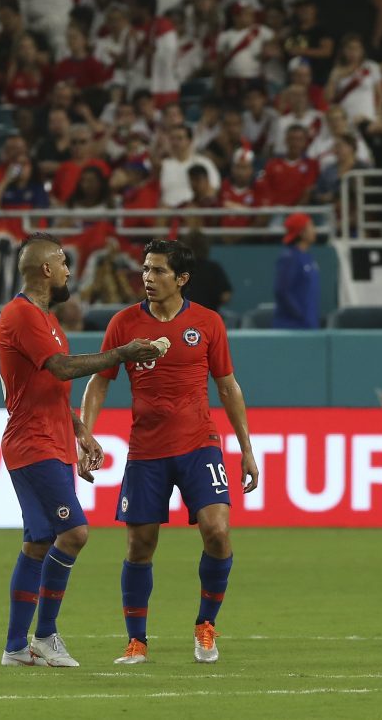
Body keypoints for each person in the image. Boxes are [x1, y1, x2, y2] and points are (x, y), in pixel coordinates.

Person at [80, 239, 259, 666]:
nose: (147, 277)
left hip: (200, 445)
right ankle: (137, 641)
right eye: (145, 269)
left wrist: (246, 448)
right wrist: (85, 433)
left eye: (158, 271)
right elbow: (100, 380)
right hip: (146, 451)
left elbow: (228, 385)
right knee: (140, 545)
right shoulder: (124, 324)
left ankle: (206, 625)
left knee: (217, 531)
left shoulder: (208, 323)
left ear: (181, 279)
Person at [0, 233, 159, 668]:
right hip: (34, 444)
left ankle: (16, 648)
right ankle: (45, 635)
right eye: (64, 262)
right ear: (46, 269)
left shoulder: (48, 322)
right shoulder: (22, 315)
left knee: (38, 542)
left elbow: (49, 387)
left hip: (48, 440)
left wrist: (81, 431)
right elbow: (63, 369)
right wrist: (121, 353)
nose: (70, 269)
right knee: (75, 533)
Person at [273, 213, 321, 329]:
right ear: (302, 232)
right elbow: (282, 291)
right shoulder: (290, 258)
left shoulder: (307, 257)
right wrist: (300, 315)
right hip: (292, 327)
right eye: (311, 226)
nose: (315, 230)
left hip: (308, 325)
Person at [184, 230, 233, 313]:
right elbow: (225, 296)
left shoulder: (178, 268)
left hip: (182, 318)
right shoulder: (214, 268)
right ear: (206, 247)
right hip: (208, 317)